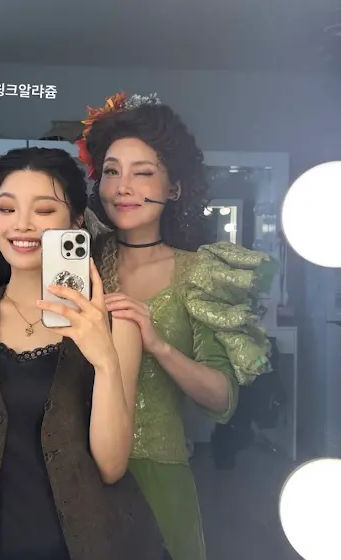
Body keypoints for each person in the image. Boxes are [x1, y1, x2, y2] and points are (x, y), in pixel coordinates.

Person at [0, 147, 169, 560]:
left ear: (76, 221)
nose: (21, 224)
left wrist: (105, 361)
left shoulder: (115, 323)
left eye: (43, 210)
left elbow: (111, 467)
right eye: (7, 209)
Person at [77, 92, 277, 560]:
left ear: (174, 189)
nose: (122, 187)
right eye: (111, 172)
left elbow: (222, 399)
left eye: (142, 173)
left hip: (159, 475)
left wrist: (159, 345)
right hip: (75, 465)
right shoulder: (78, 262)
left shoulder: (200, 273)